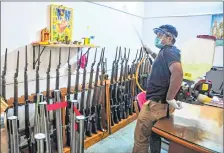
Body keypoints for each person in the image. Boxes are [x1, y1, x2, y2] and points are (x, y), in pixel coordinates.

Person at [132, 24, 184, 153]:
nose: (157, 37)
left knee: (140, 138)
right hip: (159, 104)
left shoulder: (169, 51)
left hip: (155, 104)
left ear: (169, 37)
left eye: (160, 35)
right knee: (154, 133)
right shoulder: (167, 51)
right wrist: (150, 52)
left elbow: (178, 73)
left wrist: (170, 97)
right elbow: (162, 62)